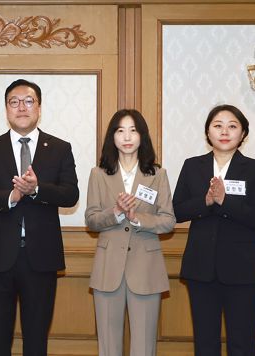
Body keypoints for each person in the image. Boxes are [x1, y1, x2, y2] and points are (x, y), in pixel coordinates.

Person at [0, 79, 79, 356]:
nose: (21, 107)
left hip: (41, 257)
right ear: (6, 108)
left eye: (28, 101)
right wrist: (11, 197)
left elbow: (70, 194)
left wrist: (37, 190)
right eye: (14, 102)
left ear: (39, 107)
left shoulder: (59, 148)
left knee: (36, 339)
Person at [173, 104, 255, 355]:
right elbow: (177, 211)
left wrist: (226, 201)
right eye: (217, 125)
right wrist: (205, 202)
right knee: (205, 342)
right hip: (200, 267)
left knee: (242, 342)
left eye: (232, 126)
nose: (224, 131)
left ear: (243, 133)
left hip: (243, 270)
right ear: (208, 133)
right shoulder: (193, 166)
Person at [86, 109, 175, 356]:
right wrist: (115, 212)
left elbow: (168, 221)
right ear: (112, 137)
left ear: (142, 136)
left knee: (145, 346)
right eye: (120, 130)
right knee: (108, 345)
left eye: (133, 130)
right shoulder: (98, 173)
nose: (127, 137)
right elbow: (91, 220)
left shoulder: (157, 174)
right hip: (108, 267)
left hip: (146, 267)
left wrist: (138, 219)